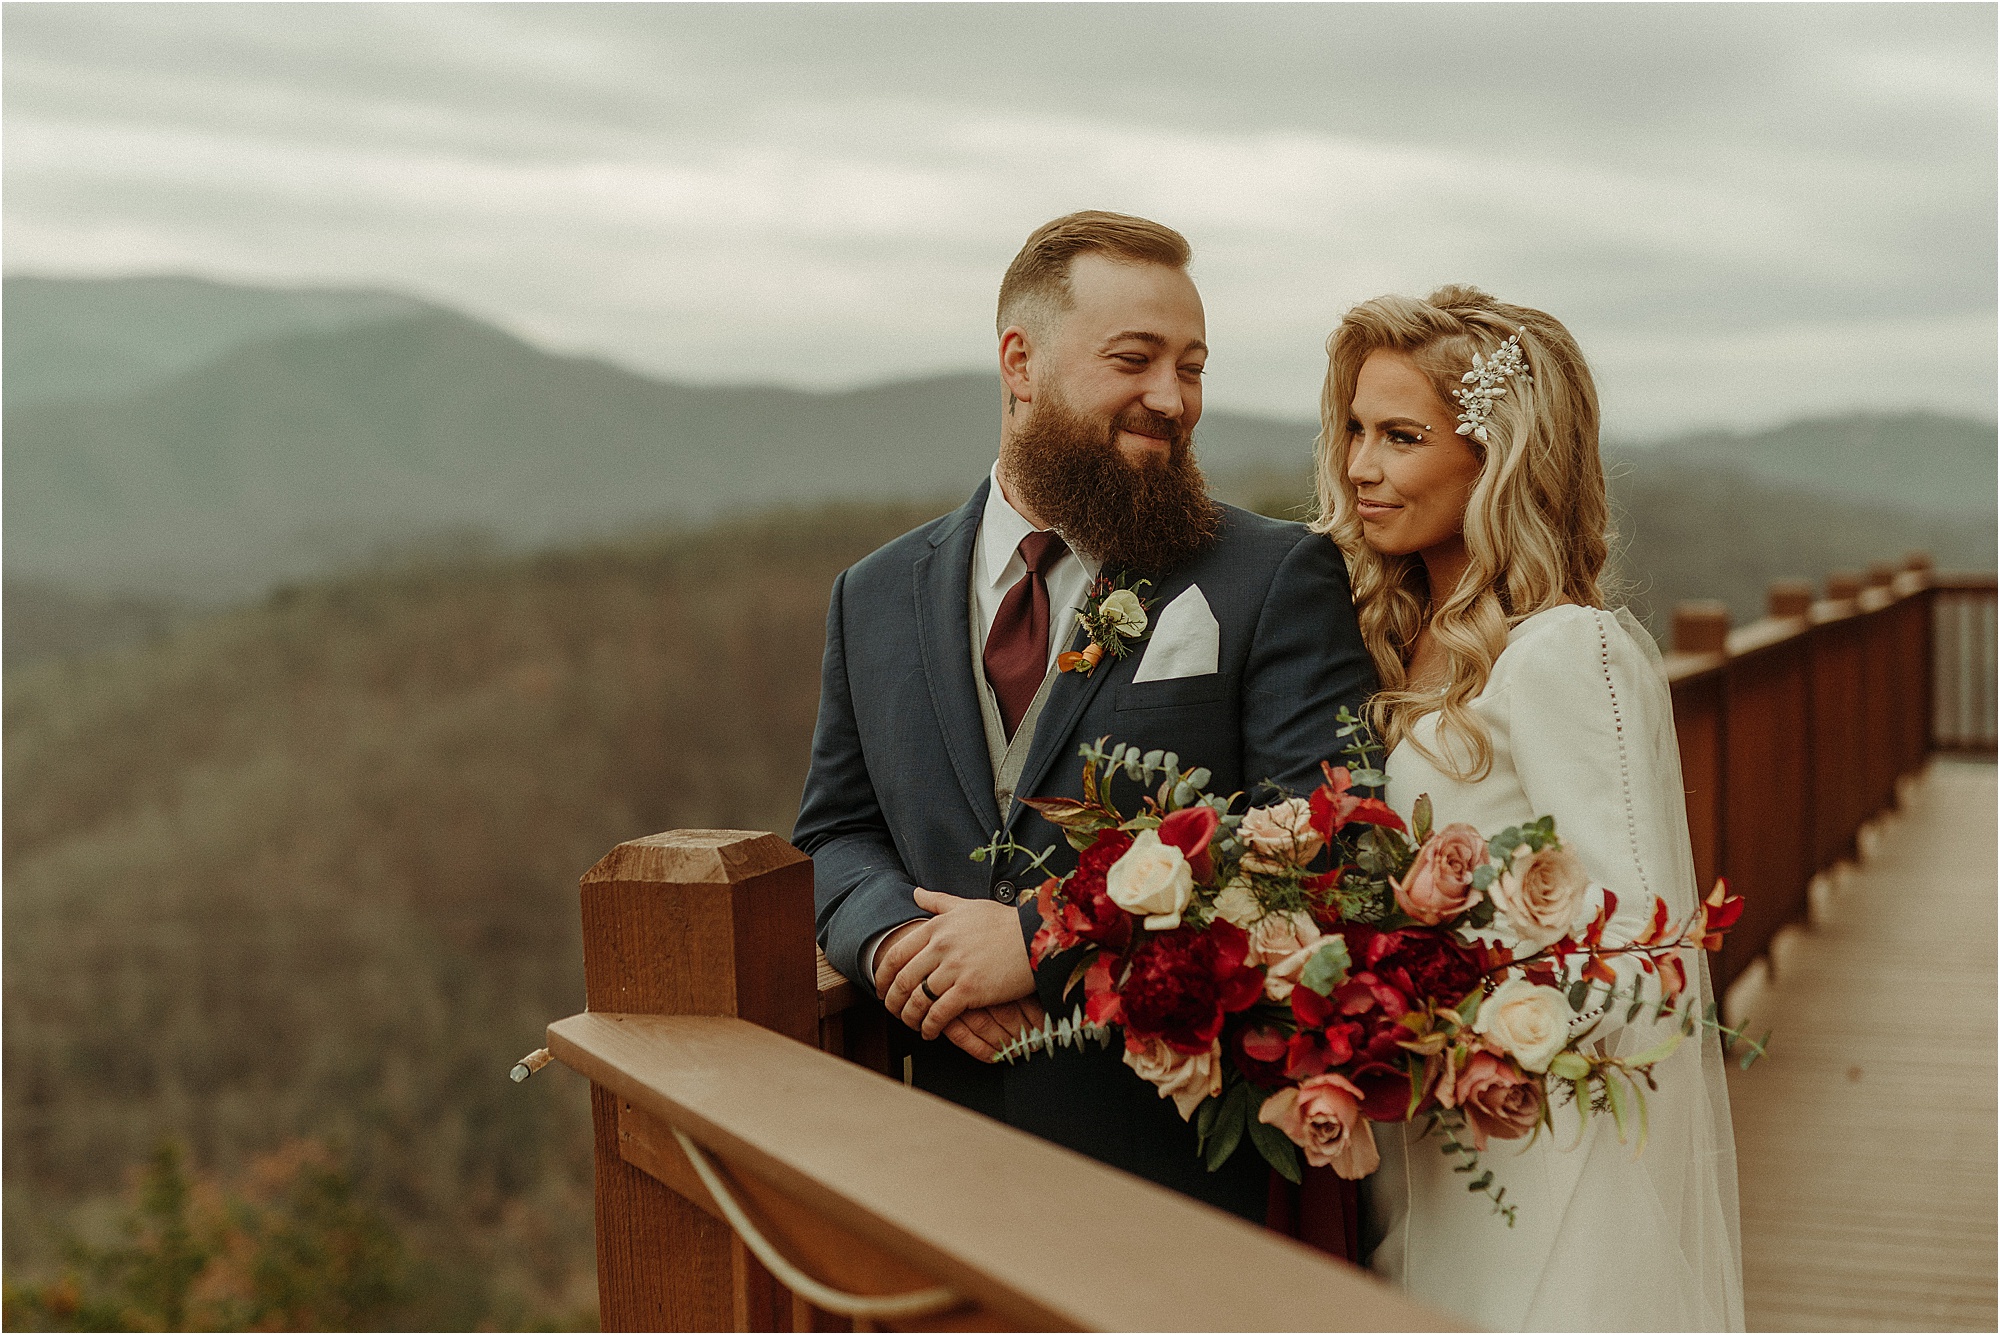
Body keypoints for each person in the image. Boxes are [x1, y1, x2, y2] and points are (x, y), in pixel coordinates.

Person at [794, 211, 1376, 1221]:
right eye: (1133, 359)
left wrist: (1040, 940)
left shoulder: (1271, 577)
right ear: (1019, 363)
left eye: (1190, 366)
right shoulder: (873, 593)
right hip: (933, 1172)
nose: (1172, 398)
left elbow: (1329, 853)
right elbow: (837, 831)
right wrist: (891, 946)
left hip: (1178, 1184)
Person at [1309, 286, 1744, 1329]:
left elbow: (1642, 951)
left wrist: (1446, 1015)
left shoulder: (1564, 651)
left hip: (1542, 1156)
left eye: (1401, 437)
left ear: (1494, 455)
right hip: (1437, 1147)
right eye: (1355, 431)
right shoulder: (1407, 632)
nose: (1360, 467)